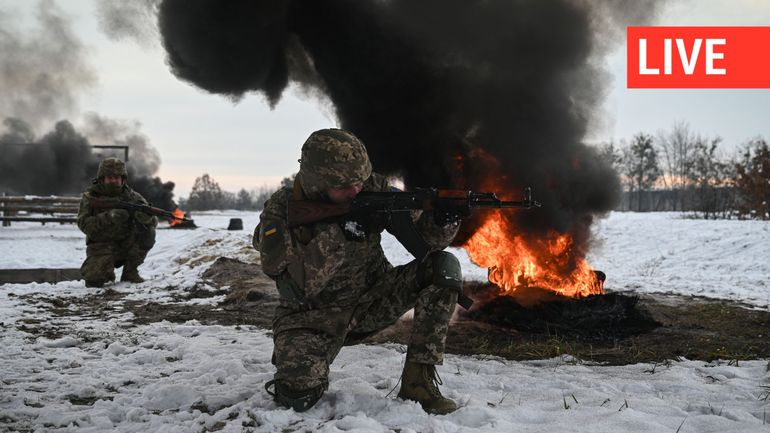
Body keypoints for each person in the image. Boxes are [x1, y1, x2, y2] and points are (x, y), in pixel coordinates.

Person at [254, 128, 465, 415]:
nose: (356, 190)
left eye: (360, 181)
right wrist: (341, 232)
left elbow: (428, 242)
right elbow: (293, 284)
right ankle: (307, 375)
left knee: (443, 266)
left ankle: (419, 383)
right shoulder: (280, 211)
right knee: (297, 398)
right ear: (317, 181)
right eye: (345, 186)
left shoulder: (371, 188)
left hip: (374, 300)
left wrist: (442, 219)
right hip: (311, 318)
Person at [77, 157, 158, 287]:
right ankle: (106, 271)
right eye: (110, 177)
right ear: (102, 179)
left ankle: (130, 272)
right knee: (94, 282)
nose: (113, 180)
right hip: (101, 246)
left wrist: (147, 218)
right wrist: (110, 216)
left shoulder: (133, 197)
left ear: (123, 179)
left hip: (126, 244)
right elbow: (83, 224)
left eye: (117, 177)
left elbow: (153, 221)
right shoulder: (91, 197)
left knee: (149, 233)